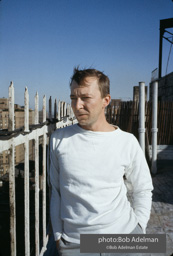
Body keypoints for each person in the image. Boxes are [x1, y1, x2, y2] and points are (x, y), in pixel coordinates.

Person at [48, 68, 153, 256]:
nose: (77, 105)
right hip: (76, 244)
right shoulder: (59, 139)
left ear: (106, 100)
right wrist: (58, 237)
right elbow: (55, 191)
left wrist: (139, 228)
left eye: (85, 98)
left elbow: (142, 188)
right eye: (73, 98)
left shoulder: (127, 142)